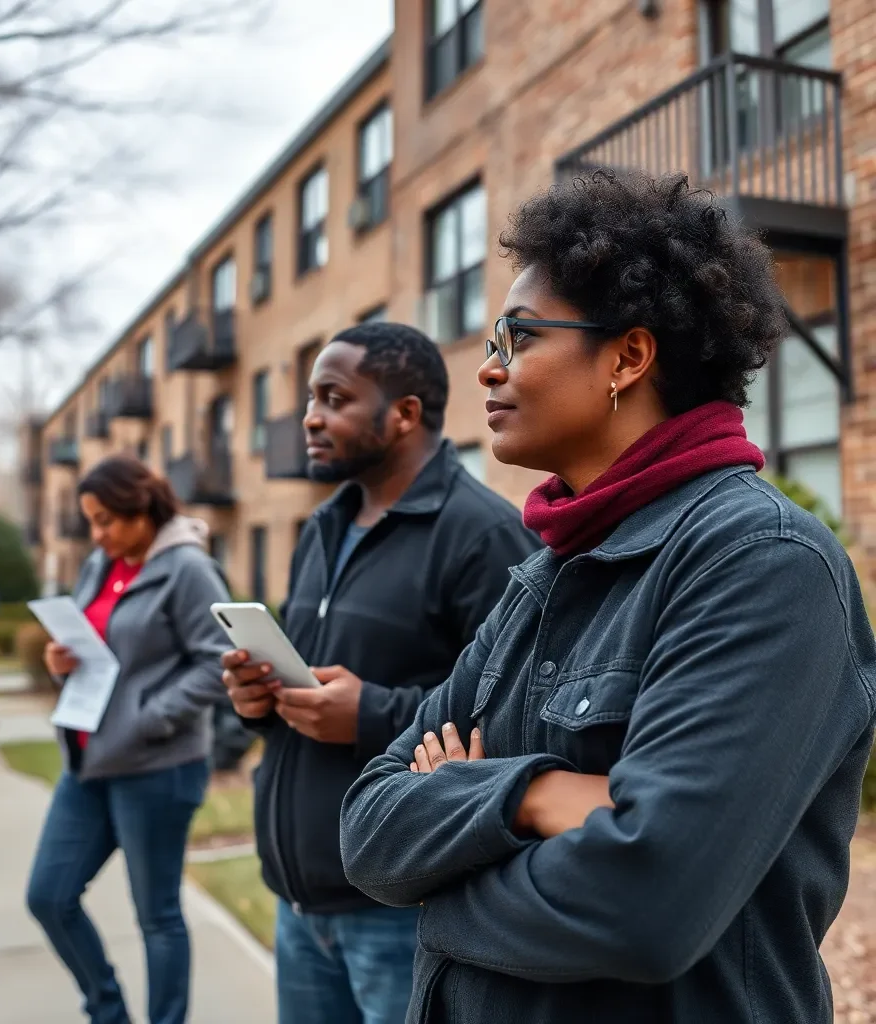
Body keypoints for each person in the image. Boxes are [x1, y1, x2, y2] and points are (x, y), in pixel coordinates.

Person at [341, 171, 876, 1024]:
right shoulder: (549, 570)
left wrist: (443, 877)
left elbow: (646, 905)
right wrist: (538, 795)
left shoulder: (761, 564)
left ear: (628, 356)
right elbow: (368, 827)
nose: (486, 369)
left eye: (519, 337)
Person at [221, 322, 540, 1024]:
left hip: (400, 911)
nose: (311, 416)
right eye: (312, 398)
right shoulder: (321, 527)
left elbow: (515, 716)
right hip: (297, 906)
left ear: (403, 414)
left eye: (334, 398)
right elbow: (306, 677)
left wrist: (370, 717)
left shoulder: (484, 535)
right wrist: (256, 698)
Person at [26, 456, 232, 1024]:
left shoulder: (188, 569)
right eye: (91, 521)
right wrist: (59, 661)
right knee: (48, 895)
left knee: (156, 916)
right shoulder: (99, 564)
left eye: (106, 520)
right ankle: (108, 1011)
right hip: (87, 761)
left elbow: (220, 663)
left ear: (142, 508)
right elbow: (95, 642)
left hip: (157, 767)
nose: (97, 534)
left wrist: (148, 716)